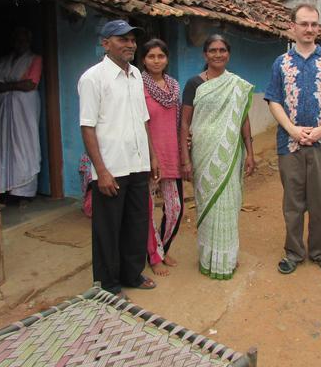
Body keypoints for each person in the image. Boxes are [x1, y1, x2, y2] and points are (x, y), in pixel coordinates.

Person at [265, 4, 321, 275]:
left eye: (314, 24)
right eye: (304, 23)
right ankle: (293, 252)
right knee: (293, 203)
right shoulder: (281, 63)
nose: (309, 29)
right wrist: (291, 129)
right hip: (289, 143)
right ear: (293, 27)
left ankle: (320, 251)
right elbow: (274, 100)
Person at [78, 19, 160, 299]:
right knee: (108, 229)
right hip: (111, 167)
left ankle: (131, 274)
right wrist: (101, 171)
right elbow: (87, 126)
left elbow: (144, 119)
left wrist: (152, 156)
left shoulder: (136, 74)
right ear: (106, 43)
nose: (130, 45)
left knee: (136, 223)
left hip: (138, 163)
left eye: (133, 40)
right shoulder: (93, 78)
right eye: (123, 39)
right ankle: (109, 285)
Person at [180, 34, 255, 279]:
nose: (218, 54)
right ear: (205, 54)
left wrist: (250, 152)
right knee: (207, 204)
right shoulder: (194, 83)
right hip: (203, 152)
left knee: (228, 204)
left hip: (230, 151)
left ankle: (226, 259)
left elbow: (243, 119)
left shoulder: (237, 85)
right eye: (212, 50)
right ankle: (208, 258)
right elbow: (184, 123)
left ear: (228, 54)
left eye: (222, 50)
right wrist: (185, 159)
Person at [141, 39, 184, 277]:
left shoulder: (173, 86)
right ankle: (154, 255)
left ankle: (162, 248)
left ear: (167, 59)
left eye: (161, 56)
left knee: (175, 209)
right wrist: (151, 156)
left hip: (171, 155)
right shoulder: (138, 87)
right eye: (151, 56)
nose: (156, 61)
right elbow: (141, 123)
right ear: (143, 60)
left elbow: (179, 122)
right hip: (149, 157)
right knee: (147, 211)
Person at [0, 26, 42, 204]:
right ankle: (3, 188)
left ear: (29, 41)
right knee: (2, 145)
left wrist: (6, 86)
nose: (20, 42)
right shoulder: (4, 61)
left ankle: (23, 192)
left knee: (25, 144)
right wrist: (16, 85)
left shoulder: (34, 59)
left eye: (23, 39)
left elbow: (30, 84)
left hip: (24, 109)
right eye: (17, 39)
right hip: (3, 109)